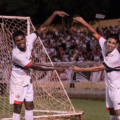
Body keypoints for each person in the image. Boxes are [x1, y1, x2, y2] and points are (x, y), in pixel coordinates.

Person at [10, 11, 69, 120]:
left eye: (22, 39)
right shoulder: (16, 54)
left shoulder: (29, 40)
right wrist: (55, 68)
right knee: (18, 106)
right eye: (17, 41)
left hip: (27, 78)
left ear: (25, 37)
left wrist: (54, 14)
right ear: (15, 42)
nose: (21, 42)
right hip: (18, 80)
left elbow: (42, 27)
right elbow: (35, 66)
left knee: (30, 104)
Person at [72, 17, 120, 120]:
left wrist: (79, 70)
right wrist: (84, 22)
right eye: (109, 42)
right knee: (112, 111)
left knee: (118, 111)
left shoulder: (116, 56)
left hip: (117, 86)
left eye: (113, 43)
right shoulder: (104, 44)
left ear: (116, 45)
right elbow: (94, 33)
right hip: (110, 85)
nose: (110, 45)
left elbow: (99, 68)